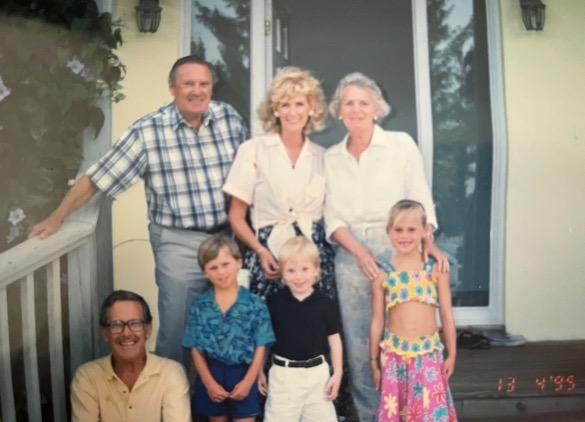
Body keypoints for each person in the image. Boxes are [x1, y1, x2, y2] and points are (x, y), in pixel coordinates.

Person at [29, 55, 249, 365]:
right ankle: (174, 395)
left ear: (212, 88)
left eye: (204, 84)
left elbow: (253, 175)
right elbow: (98, 178)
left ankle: (216, 395)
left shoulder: (230, 119)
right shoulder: (148, 131)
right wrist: (57, 217)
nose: (197, 91)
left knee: (227, 327)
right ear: (173, 88)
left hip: (228, 239)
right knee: (177, 332)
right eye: (188, 84)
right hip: (179, 243)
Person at [324, 72, 448, 421]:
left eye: (364, 103)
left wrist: (428, 243)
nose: (356, 109)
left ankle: (409, 413)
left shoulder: (401, 144)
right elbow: (331, 216)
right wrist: (360, 253)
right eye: (349, 103)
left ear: (378, 109)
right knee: (361, 344)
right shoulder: (331, 157)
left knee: (403, 337)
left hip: (399, 249)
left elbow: (420, 198)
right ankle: (370, 415)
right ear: (339, 111)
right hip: (351, 255)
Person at [223, 66, 337, 301]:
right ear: (275, 110)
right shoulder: (253, 150)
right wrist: (261, 251)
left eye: (299, 104)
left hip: (313, 258)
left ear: (312, 108)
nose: (292, 112)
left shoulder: (323, 156)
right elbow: (236, 216)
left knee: (314, 321)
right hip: (269, 256)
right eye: (285, 105)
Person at [370, 200, 457, 421]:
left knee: (429, 412)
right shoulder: (383, 273)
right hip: (394, 357)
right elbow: (378, 320)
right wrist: (373, 361)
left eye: (411, 229)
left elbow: (446, 315)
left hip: (428, 355)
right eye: (398, 230)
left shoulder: (435, 269)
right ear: (388, 231)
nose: (405, 236)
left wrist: (452, 354)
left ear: (425, 231)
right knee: (397, 412)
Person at [182, 235, 275, 421]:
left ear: (239, 263)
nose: (221, 272)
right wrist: (209, 383)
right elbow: (195, 347)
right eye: (213, 267)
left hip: (245, 372)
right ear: (204, 272)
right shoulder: (201, 306)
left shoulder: (255, 304)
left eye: (225, 264)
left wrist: (249, 381)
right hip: (212, 372)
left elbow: (261, 345)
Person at [70, 290, 191, 422]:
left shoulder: (171, 374)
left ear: (148, 329)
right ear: (105, 333)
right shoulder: (87, 377)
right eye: (116, 325)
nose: (126, 333)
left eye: (135, 323)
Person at [259, 236, 342, 422]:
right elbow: (265, 340)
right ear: (282, 272)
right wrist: (259, 371)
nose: (299, 277)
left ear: (316, 270)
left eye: (305, 269)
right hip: (284, 375)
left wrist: (337, 372)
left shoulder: (325, 303)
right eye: (291, 270)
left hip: (318, 376)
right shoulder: (274, 303)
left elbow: (334, 339)